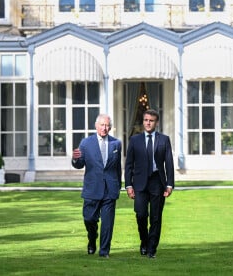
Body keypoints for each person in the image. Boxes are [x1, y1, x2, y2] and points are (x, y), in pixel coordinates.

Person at [125, 109, 174, 259]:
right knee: (141, 214)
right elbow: (129, 165)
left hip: (157, 182)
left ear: (156, 123)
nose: (148, 123)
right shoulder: (134, 140)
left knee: (156, 217)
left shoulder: (164, 140)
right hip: (139, 183)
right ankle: (144, 241)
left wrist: (170, 184)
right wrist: (128, 185)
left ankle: (152, 248)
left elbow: (169, 163)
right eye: (146, 120)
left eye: (151, 120)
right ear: (143, 121)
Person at [72, 114, 122, 258]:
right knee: (89, 219)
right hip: (92, 189)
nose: (105, 128)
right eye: (102, 125)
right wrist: (75, 159)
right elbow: (79, 164)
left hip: (109, 190)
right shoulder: (86, 143)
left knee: (107, 223)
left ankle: (104, 251)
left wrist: (117, 186)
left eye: (107, 125)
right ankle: (92, 239)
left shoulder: (116, 144)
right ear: (96, 126)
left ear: (110, 127)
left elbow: (117, 167)